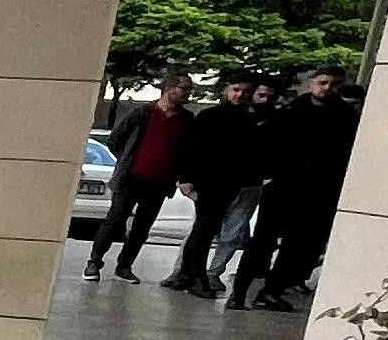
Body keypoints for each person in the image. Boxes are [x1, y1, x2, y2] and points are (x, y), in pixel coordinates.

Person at [228, 65, 360, 310]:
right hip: (283, 187)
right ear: (312, 83)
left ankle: (272, 290)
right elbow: (266, 145)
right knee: (262, 242)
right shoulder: (291, 112)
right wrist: (267, 175)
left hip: (319, 191)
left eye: (333, 84)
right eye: (323, 83)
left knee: (301, 247)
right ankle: (239, 293)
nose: (328, 88)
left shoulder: (346, 117)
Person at [87, 70, 197, 283]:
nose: (188, 94)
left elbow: (186, 151)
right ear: (169, 88)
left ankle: (124, 266)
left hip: (159, 182)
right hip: (130, 178)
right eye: (184, 89)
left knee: (142, 227)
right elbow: (115, 140)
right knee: (115, 220)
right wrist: (127, 160)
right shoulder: (142, 113)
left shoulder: (186, 119)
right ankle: (94, 262)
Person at [171, 74, 273, 297]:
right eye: (236, 89)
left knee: (204, 229)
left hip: (230, 183)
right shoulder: (210, 116)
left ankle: (186, 274)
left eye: (246, 91)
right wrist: (186, 178)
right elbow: (190, 148)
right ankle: (194, 277)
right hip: (207, 182)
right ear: (228, 90)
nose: (240, 95)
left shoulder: (249, 121)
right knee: (203, 231)